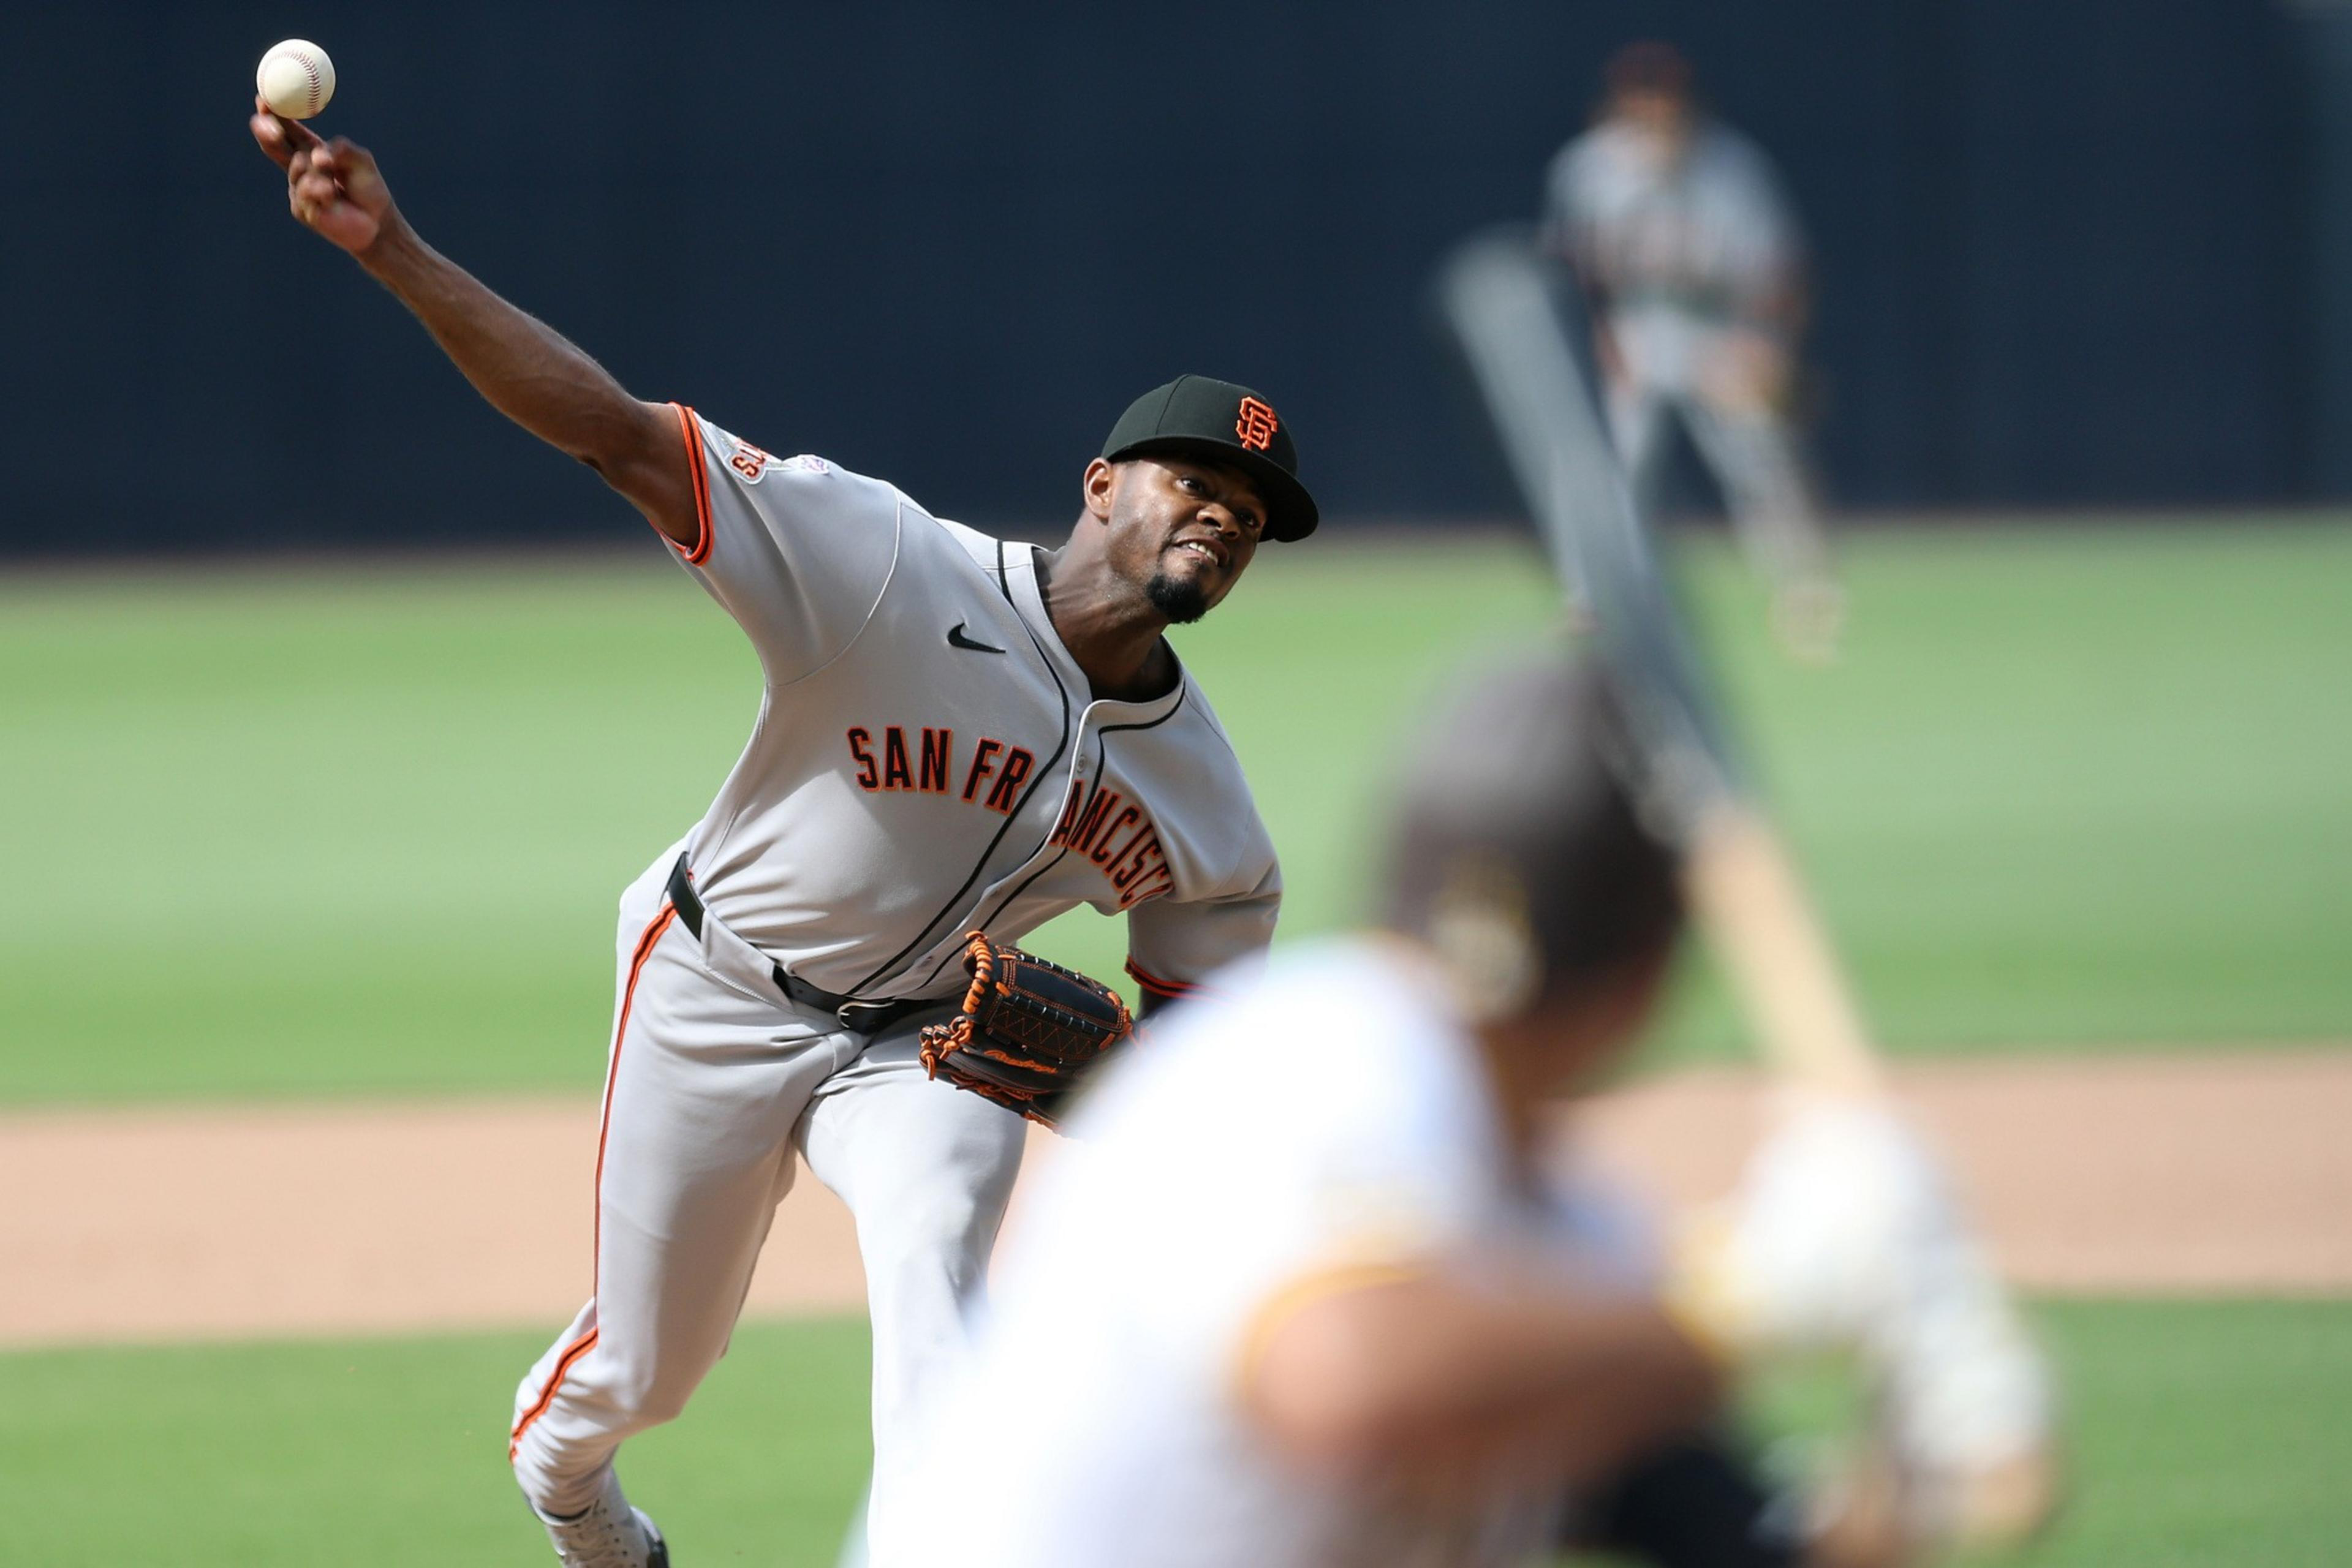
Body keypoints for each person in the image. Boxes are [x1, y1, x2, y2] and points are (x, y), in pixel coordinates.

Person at [252, 103, 1315, 1568]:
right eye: (1196, 478)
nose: (1223, 513)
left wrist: (1133, 1079)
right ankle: (569, 1487)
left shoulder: (1208, 807)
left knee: (943, 1254)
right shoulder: (880, 561)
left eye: (1251, 511)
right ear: (1101, 484)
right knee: (648, 1367)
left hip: (926, 1039)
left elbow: (1199, 1066)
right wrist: (401, 255)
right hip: (717, 985)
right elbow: (616, 433)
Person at [888, 654, 2054, 1568]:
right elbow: (1353, 1382)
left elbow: (1740, 1541)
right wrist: (1743, 1291)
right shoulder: (1321, 1060)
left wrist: (1915, 1446)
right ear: (1649, 973)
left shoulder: (1560, 1231)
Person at [1543, 42, 1843, 659]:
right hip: (1632, 326)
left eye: (1663, 99)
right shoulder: (1587, 170)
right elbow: (1565, 273)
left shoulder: (1732, 170)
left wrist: (1768, 350)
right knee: (1608, 462)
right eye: (1639, 99)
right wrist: (1592, 341)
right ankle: (1593, 599)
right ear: (1619, 104)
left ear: (1685, 104)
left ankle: (1804, 593)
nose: (1652, 111)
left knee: (1759, 459)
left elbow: (1780, 274)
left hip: (1720, 330)